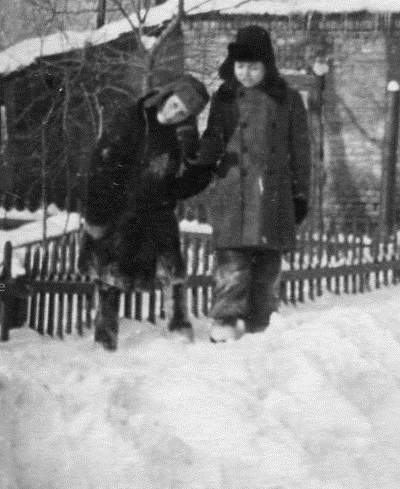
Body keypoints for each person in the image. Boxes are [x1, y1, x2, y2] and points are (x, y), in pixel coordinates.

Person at [80, 73, 212, 351]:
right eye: (175, 104)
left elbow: (187, 180)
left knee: (172, 270)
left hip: (156, 211)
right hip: (118, 206)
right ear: (167, 96)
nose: (175, 113)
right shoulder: (133, 118)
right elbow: (102, 164)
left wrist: (199, 170)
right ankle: (105, 339)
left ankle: (179, 328)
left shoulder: (183, 136)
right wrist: (97, 214)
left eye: (183, 112)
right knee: (109, 275)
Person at [197, 25, 311, 342]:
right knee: (232, 267)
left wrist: (301, 194)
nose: (246, 74)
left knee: (266, 268)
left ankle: (260, 327)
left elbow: (302, 153)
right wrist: (202, 154)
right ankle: (223, 325)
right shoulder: (225, 97)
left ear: (267, 66)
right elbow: (213, 139)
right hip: (233, 193)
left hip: (272, 195)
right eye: (241, 66)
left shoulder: (288, 100)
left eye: (254, 66)